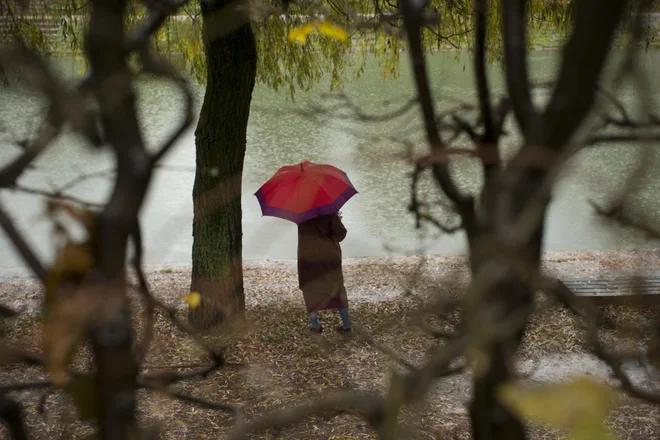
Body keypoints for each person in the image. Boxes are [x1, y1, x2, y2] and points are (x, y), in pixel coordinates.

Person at [297, 212, 351, 333]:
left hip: (308, 258)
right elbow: (340, 235)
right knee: (337, 288)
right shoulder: (329, 212)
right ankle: (346, 325)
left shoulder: (301, 213)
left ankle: (315, 325)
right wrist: (337, 219)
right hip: (329, 257)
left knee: (310, 289)